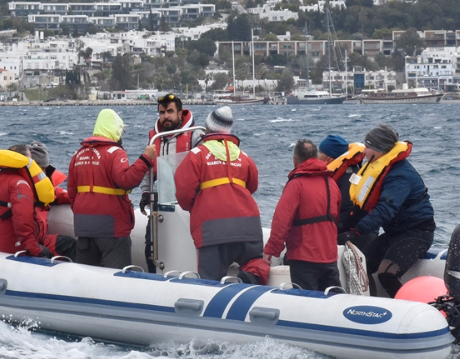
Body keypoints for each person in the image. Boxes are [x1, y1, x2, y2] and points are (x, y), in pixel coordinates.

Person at [338, 124, 435, 298]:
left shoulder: (400, 175)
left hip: (417, 232)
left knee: (387, 273)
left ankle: (410, 312)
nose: (364, 150)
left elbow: (385, 210)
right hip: (394, 232)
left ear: (380, 149)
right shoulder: (382, 168)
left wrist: (356, 232)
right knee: (361, 267)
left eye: (368, 146)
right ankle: (372, 307)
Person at [174, 106, 265, 282]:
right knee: (255, 265)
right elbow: (252, 186)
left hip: (212, 230)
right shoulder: (244, 155)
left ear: (207, 129)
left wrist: (198, 203)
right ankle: (249, 285)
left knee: (210, 280)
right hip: (248, 227)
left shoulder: (196, 155)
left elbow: (184, 195)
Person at [68, 109, 156, 269]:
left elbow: (72, 193)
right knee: (117, 277)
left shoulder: (78, 154)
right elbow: (126, 181)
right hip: (112, 228)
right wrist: (146, 159)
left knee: (86, 275)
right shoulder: (115, 152)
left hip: (84, 226)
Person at [264, 139, 341, 291]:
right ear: (316, 157)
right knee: (332, 301)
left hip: (303, 257)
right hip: (329, 255)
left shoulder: (296, 184)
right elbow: (336, 217)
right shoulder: (331, 183)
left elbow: (282, 220)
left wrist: (272, 250)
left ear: (295, 160)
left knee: (307, 302)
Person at [139, 93, 203, 271]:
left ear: (180, 113)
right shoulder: (154, 138)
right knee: (149, 246)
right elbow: (148, 168)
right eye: (162, 112)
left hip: (188, 203)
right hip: (161, 201)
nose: (165, 116)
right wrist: (145, 192)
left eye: (170, 111)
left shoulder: (194, 136)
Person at [28, 140, 75, 260]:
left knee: (71, 244)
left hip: (40, 239)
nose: (43, 172)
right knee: (45, 254)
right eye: (41, 168)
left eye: (44, 168)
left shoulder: (45, 188)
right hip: (26, 242)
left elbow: (57, 194)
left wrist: (82, 197)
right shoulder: (21, 187)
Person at [318, 134, 367, 235]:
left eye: (320, 152)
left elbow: (347, 209)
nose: (317, 155)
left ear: (330, 158)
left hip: (345, 230)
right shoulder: (348, 171)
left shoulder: (348, 178)